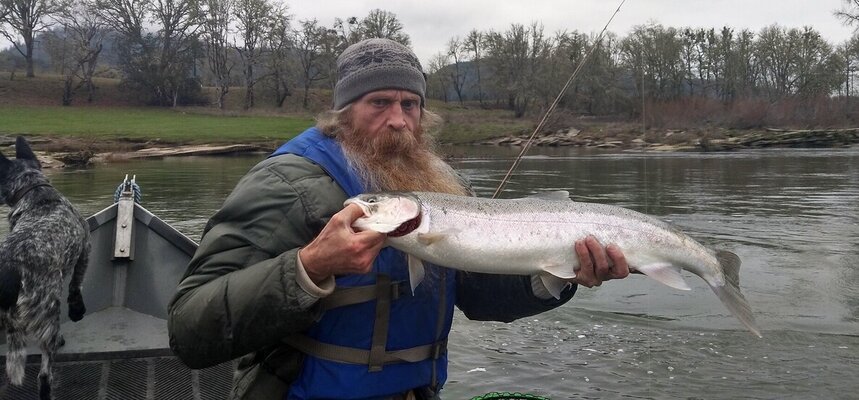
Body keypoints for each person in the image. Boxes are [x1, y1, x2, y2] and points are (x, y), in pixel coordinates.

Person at [167, 38, 630, 400]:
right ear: (343, 112)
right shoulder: (285, 184)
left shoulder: (441, 183)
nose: (398, 120)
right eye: (379, 103)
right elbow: (190, 328)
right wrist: (308, 267)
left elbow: (480, 295)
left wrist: (559, 275)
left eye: (410, 104)